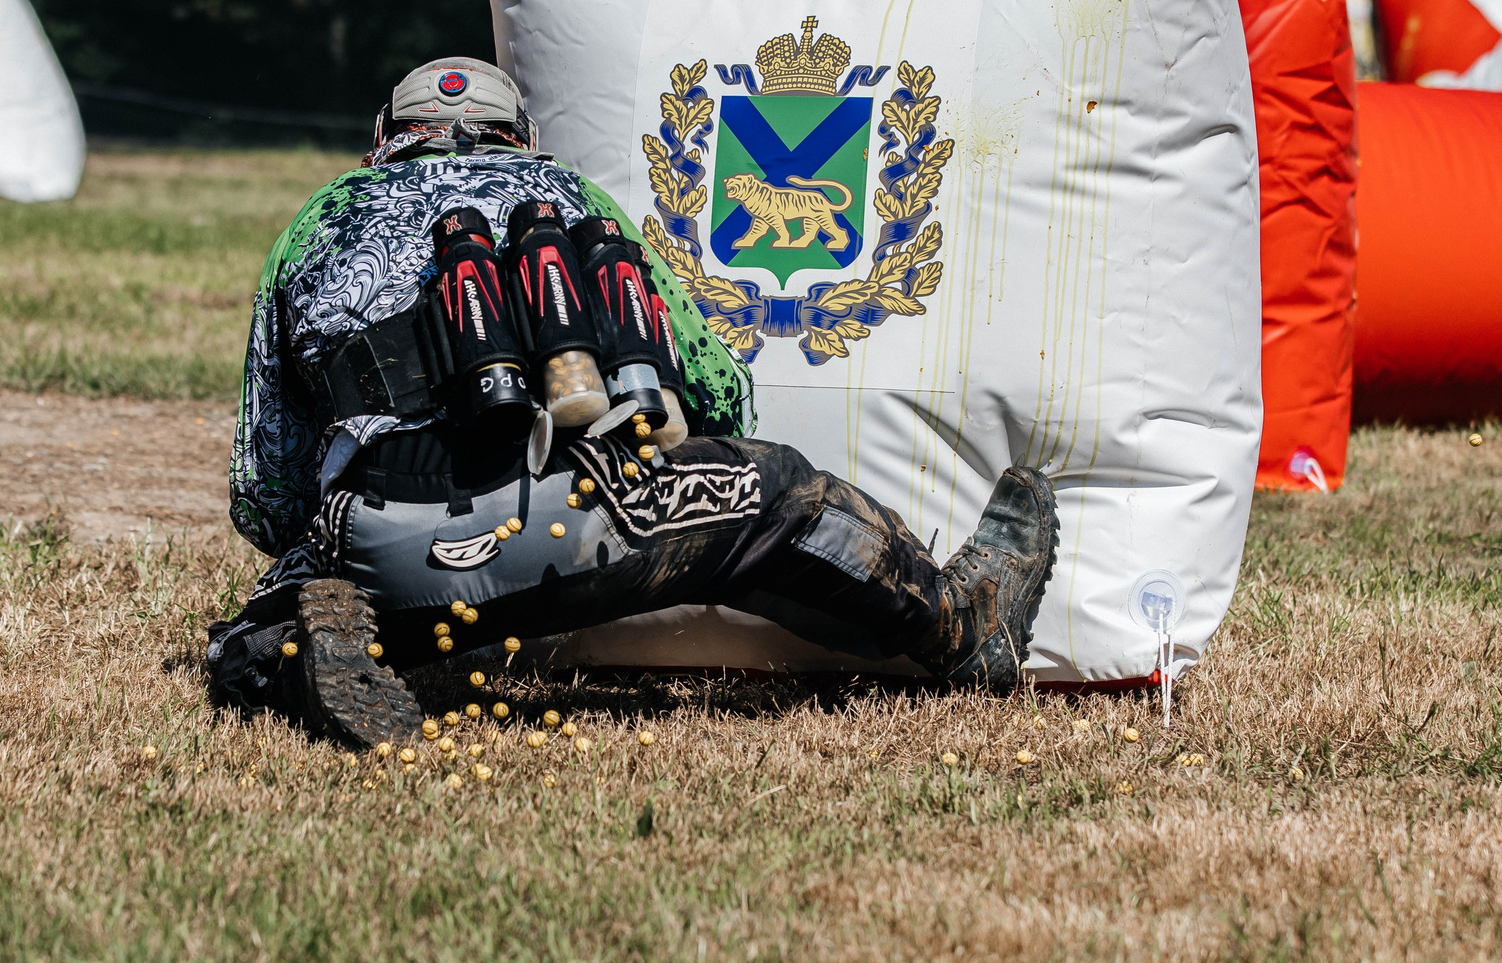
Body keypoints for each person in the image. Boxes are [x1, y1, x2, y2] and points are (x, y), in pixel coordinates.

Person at [205, 56, 1057, 742]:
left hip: (376, 540)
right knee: (781, 492)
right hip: (563, 524)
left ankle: (287, 643)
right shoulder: (571, 202)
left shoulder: (313, 225)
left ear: (383, 141)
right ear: (524, 139)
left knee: (281, 596)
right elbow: (722, 399)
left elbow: (264, 490)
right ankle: (960, 624)